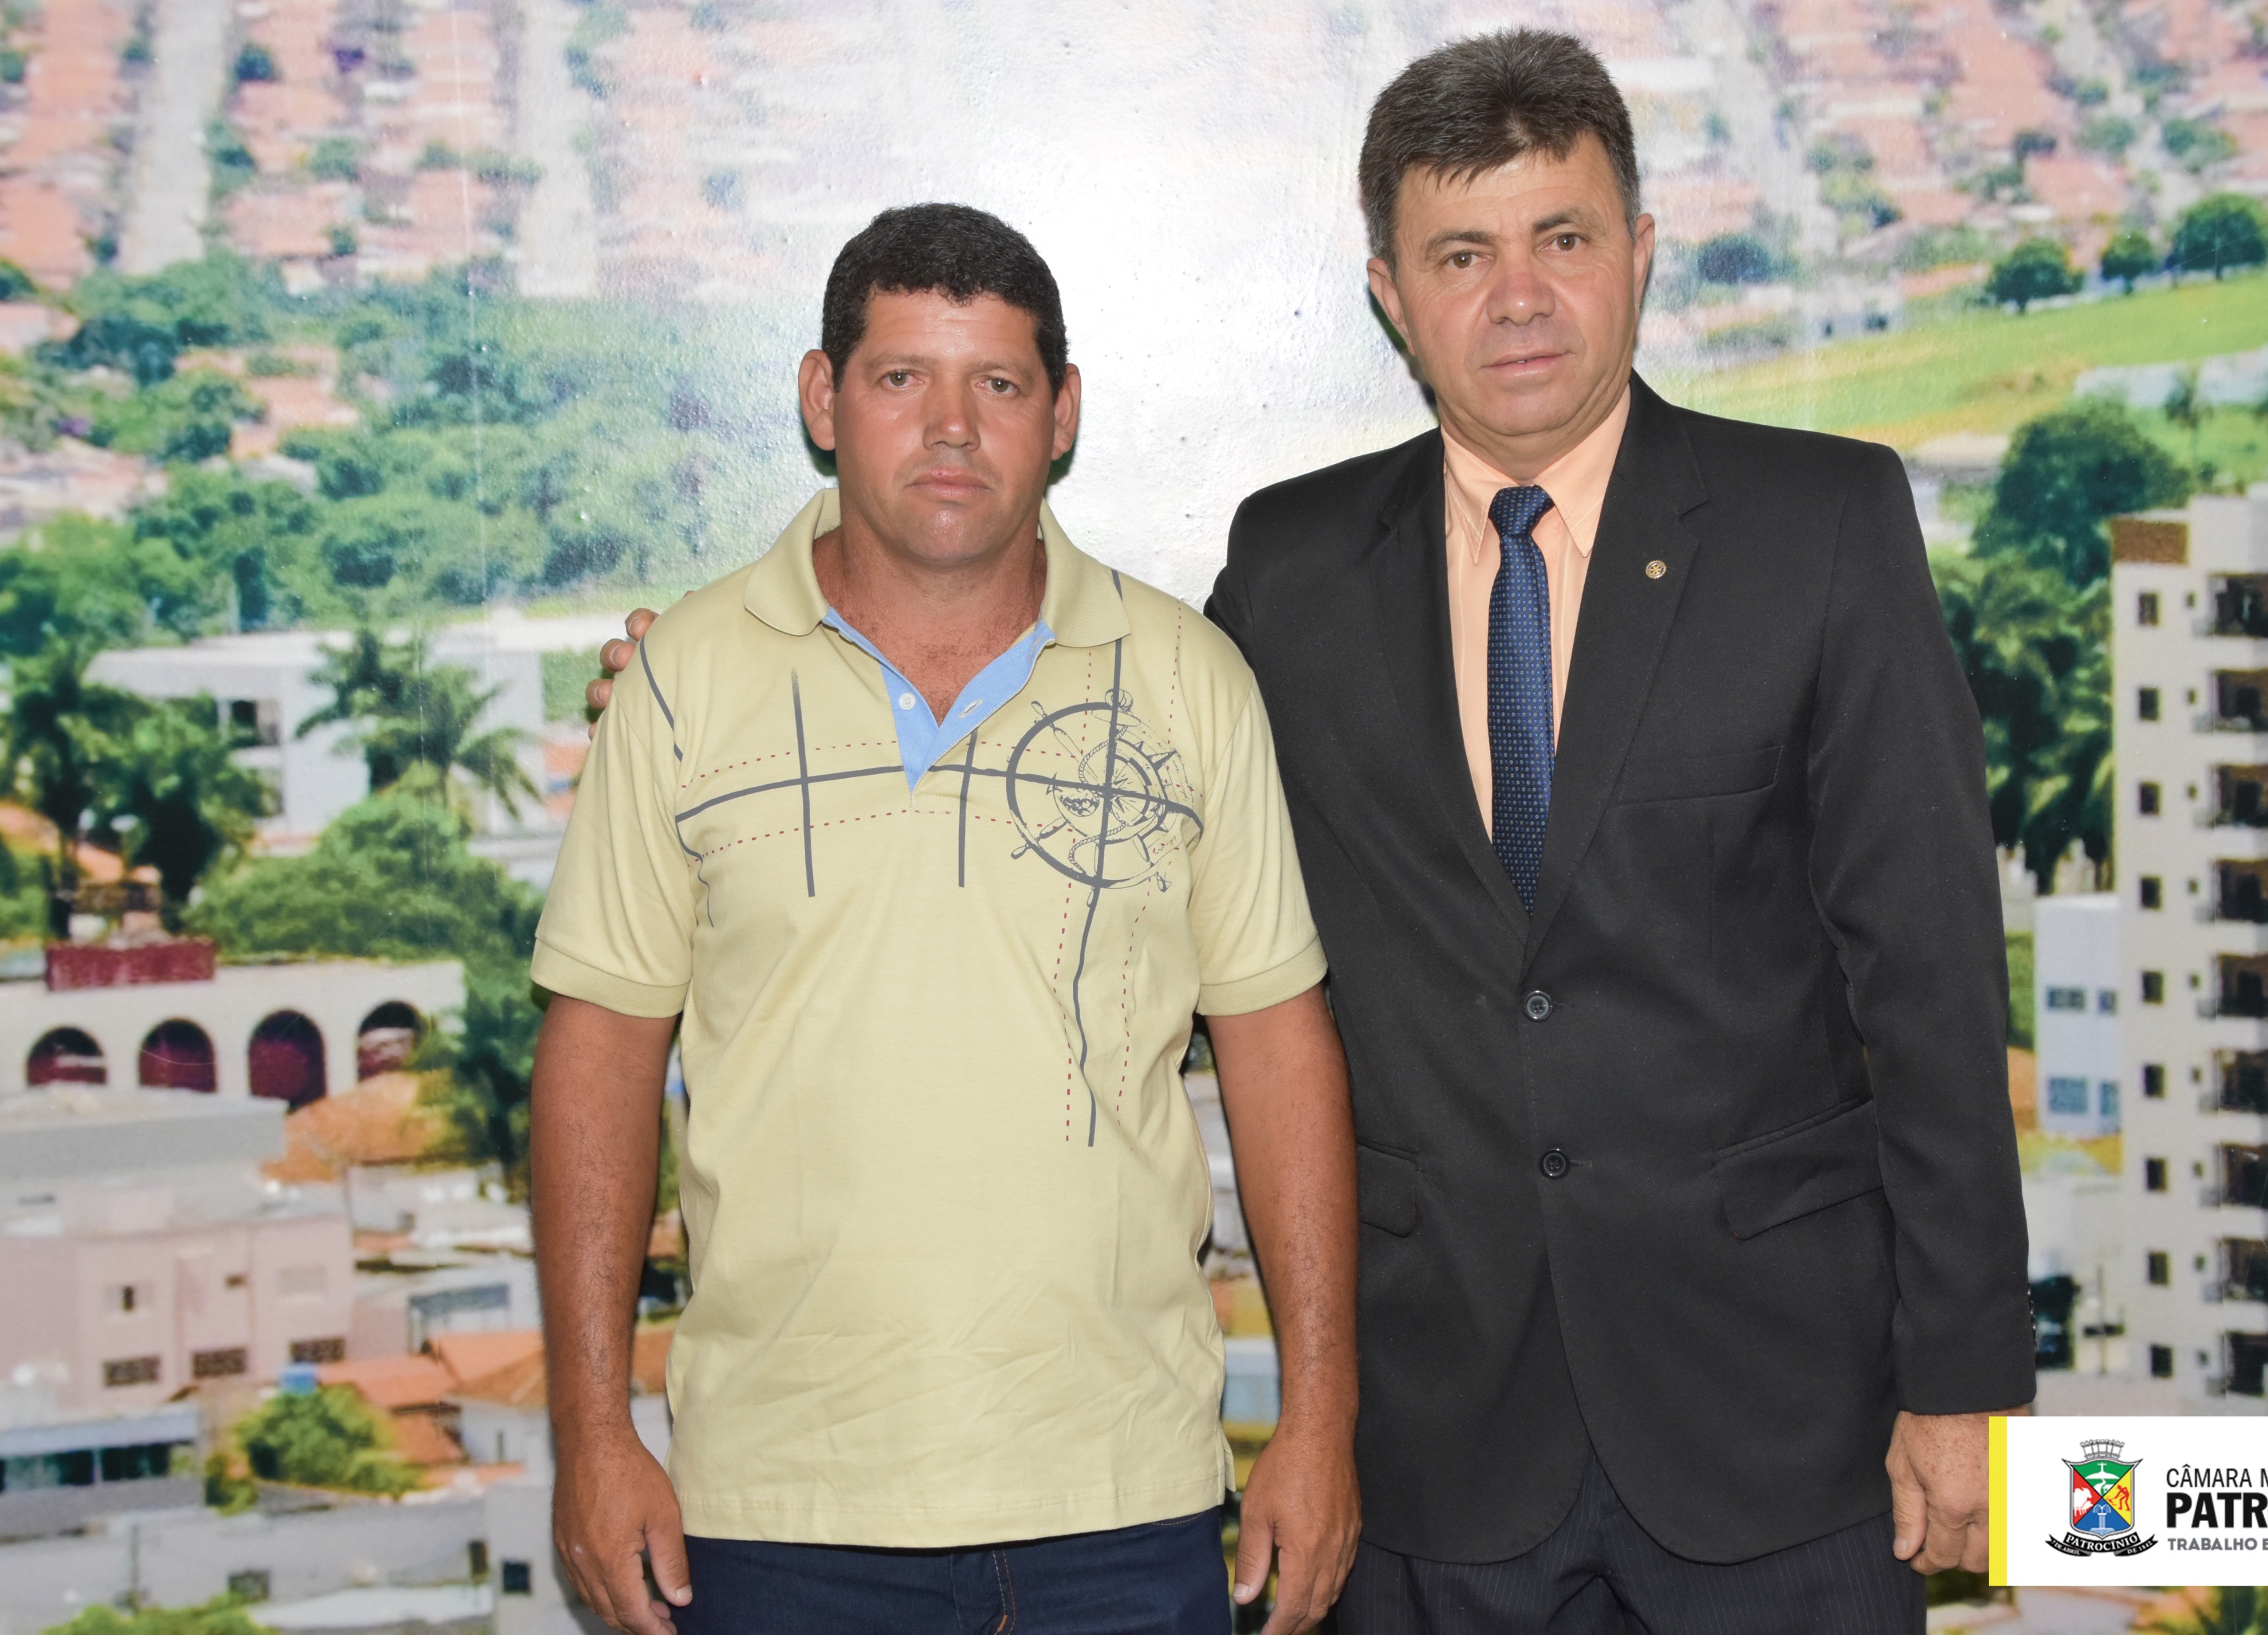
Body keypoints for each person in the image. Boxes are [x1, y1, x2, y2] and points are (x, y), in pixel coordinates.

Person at [591, 31, 2034, 1632]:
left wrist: (1965, 1374)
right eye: (1461, 256)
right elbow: (1081, 721)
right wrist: (711, 669)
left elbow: (1930, 976)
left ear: (1639, 254)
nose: (1518, 298)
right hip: (1431, 1446)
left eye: (1561, 239)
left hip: (1778, 1418)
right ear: (1389, 293)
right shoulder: (1292, 568)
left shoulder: (1819, 524)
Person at [531, 203, 1361, 1635]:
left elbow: (1280, 1052)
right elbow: (597, 1057)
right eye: (902, 376)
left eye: (999, 383)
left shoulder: (1190, 680)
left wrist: (1321, 1416)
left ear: (1063, 412)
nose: (952, 428)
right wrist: (592, 1432)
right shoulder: (683, 682)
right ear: (822, 397)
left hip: (1122, 1495)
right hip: (778, 1507)